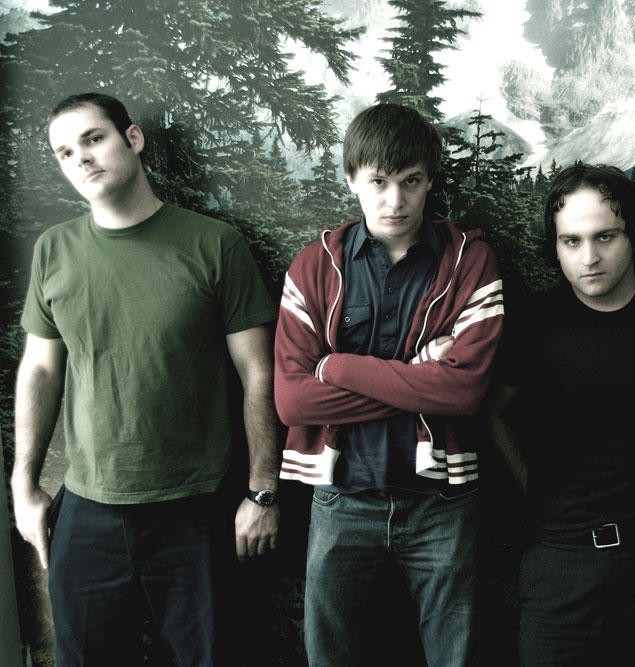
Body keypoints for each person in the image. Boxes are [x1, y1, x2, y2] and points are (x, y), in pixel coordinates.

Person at [11, 92, 281, 666]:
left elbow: (258, 371)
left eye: (93, 138)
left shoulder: (215, 244)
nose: (81, 158)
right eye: (65, 152)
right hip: (88, 508)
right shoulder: (54, 250)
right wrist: (23, 483)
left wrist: (262, 491)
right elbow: (39, 368)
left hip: (195, 509)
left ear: (132, 139)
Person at [273, 102, 505, 666]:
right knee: (331, 655)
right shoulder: (314, 267)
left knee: (456, 655)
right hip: (342, 498)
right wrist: (421, 374)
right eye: (378, 181)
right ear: (351, 179)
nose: (395, 200)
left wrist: (336, 367)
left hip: (442, 502)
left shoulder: (470, 263)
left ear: (430, 181)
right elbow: (293, 401)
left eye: (411, 181)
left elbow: (464, 393)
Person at [484, 163, 635, 665]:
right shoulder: (534, 324)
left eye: (605, 237)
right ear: (555, 246)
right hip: (558, 560)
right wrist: (531, 481)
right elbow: (494, 413)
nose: (589, 257)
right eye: (571, 241)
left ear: (632, 234)